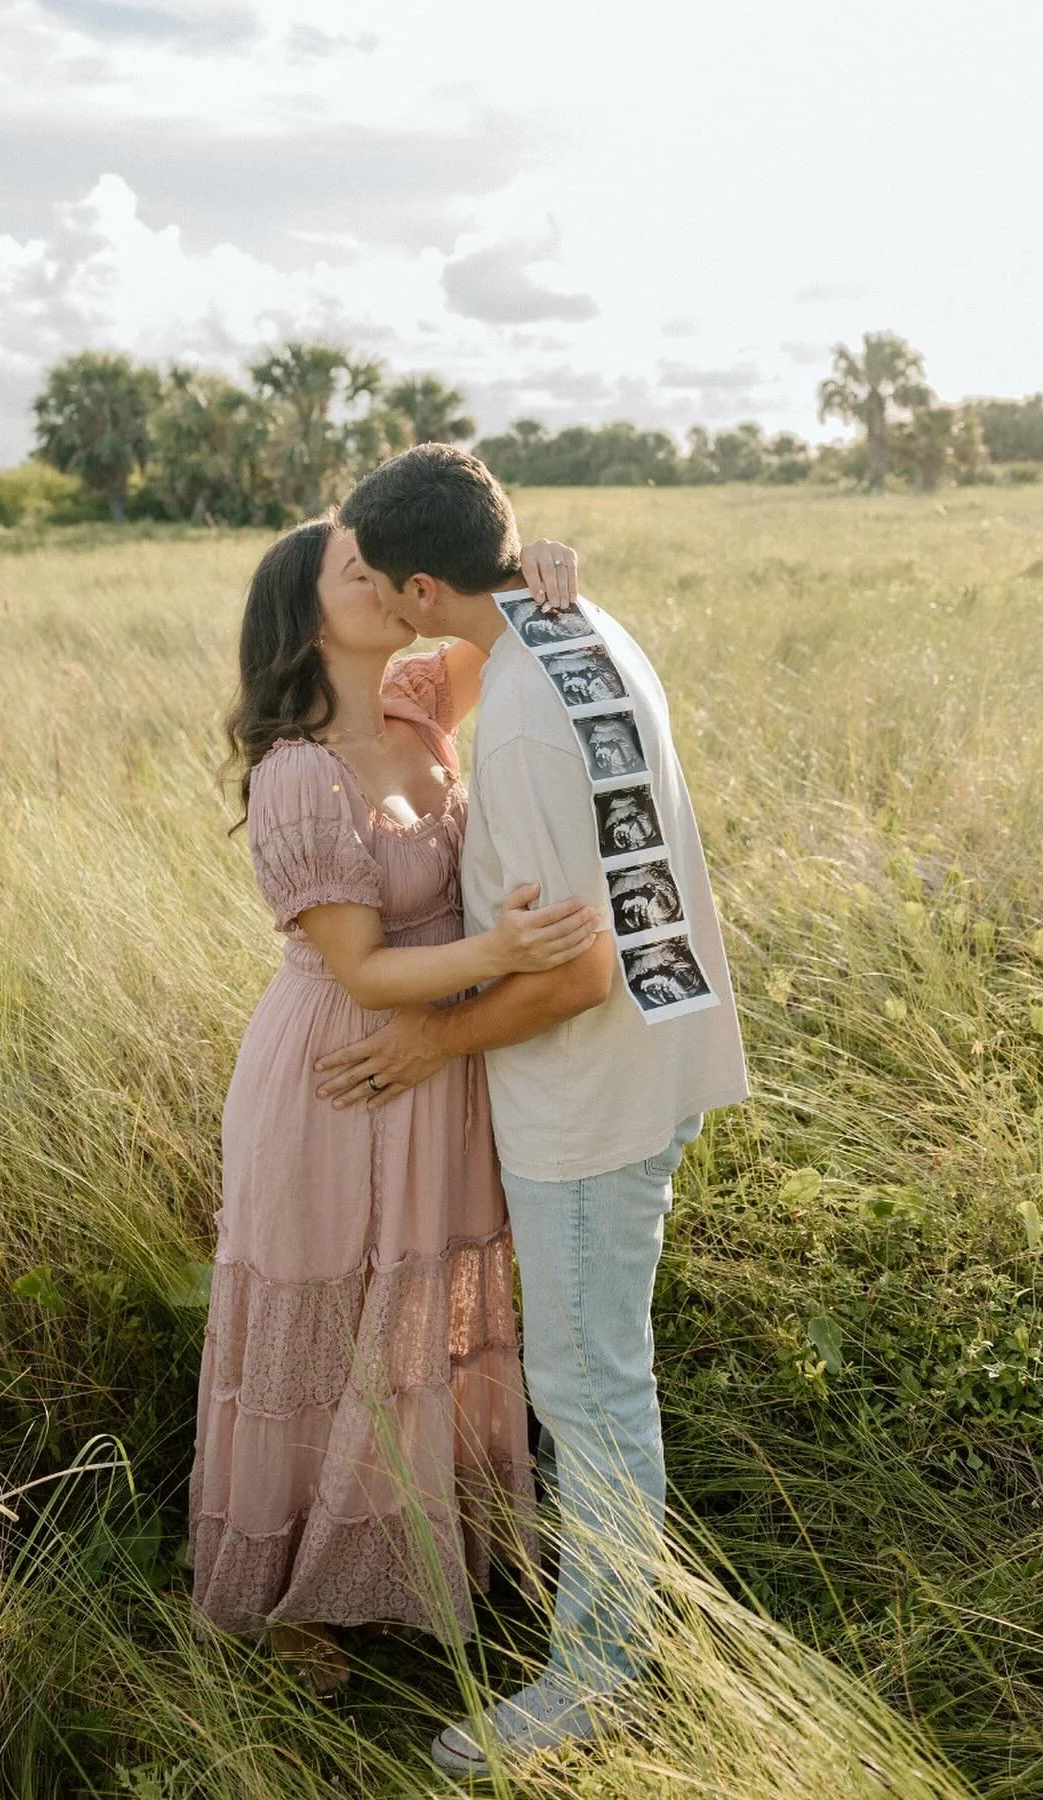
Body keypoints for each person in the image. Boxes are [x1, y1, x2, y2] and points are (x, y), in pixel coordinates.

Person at [317, 445, 750, 1770]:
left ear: (425, 579)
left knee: (590, 1388)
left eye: (386, 587)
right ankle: (614, 1637)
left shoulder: (515, 717)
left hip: (592, 1098)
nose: (380, 606)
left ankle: (606, 1674)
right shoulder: (581, 626)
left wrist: (424, 1044)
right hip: (664, 1056)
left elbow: (576, 971)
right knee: (599, 1374)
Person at [187, 513, 600, 1697]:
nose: (381, 584)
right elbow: (363, 969)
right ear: (306, 614)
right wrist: (506, 948)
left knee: (420, 1301)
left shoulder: (419, 704)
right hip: (340, 1068)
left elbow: (485, 615)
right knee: (321, 1320)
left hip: (440, 1060)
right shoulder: (297, 773)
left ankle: (415, 1561)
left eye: (381, 567)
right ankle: (283, 1602)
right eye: (352, 572)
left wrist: (542, 574)